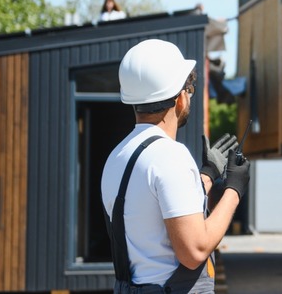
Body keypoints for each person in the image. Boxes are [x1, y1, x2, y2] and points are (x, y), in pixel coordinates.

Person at [101, 39, 250, 293]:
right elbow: (195, 250)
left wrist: (207, 175)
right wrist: (234, 191)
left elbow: (154, 207)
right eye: (189, 90)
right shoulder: (170, 156)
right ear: (180, 99)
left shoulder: (118, 156)